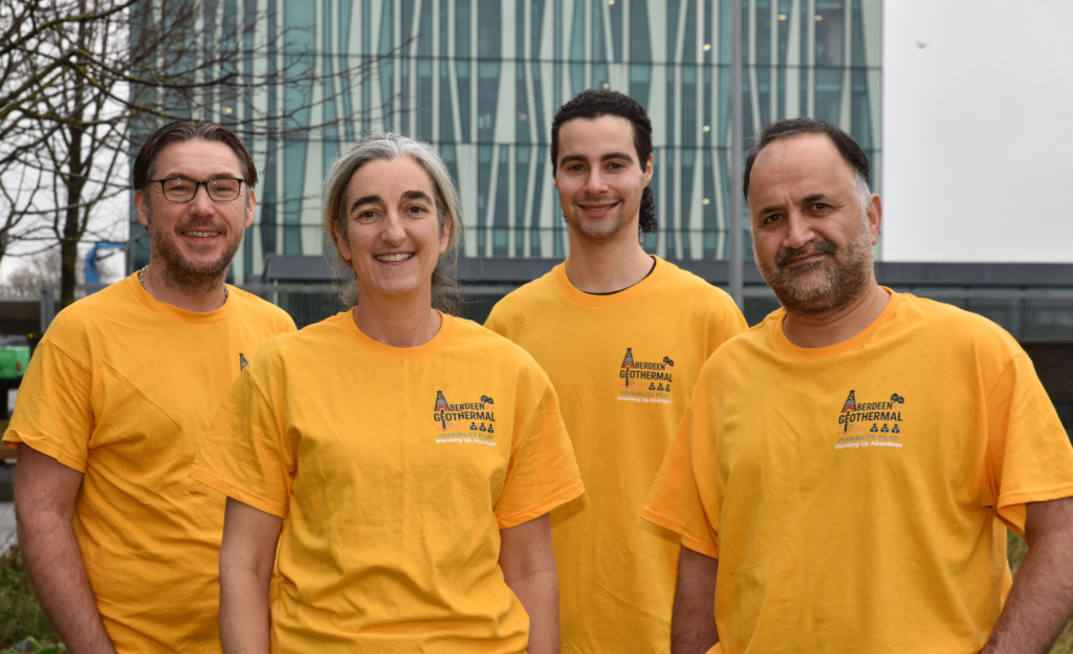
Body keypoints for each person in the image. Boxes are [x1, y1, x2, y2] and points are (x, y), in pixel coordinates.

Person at [662, 117, 1073, 654]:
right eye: (771, 217)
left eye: (818, 206)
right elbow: (700, 561)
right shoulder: (725, 374)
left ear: (872, 216)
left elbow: (1061, 533)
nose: (797, 235)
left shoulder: (975, 353)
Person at [190, 133, 584, 653]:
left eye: (414, 208)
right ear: (342, 238)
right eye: (369, 213)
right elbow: (245, 564)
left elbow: (531, 569)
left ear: (444, 229)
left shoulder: (511, 373)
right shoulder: (282, 370)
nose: (393, 231)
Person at [4, 120, 296, 653]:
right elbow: (42, 512)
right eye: (179, 187)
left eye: (223, 187)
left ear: (249, 207)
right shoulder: (81, 335)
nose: (203, 207)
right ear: (143, 207)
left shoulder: (278, 332)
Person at [485, 89, 747, 654]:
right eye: (575, 166)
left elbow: (744, 496)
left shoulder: (710, 316)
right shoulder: (510, 324)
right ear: (554, 177)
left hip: (675, 636)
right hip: (536, 635)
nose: (595, 184)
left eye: (615, 164)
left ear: (647, 171)